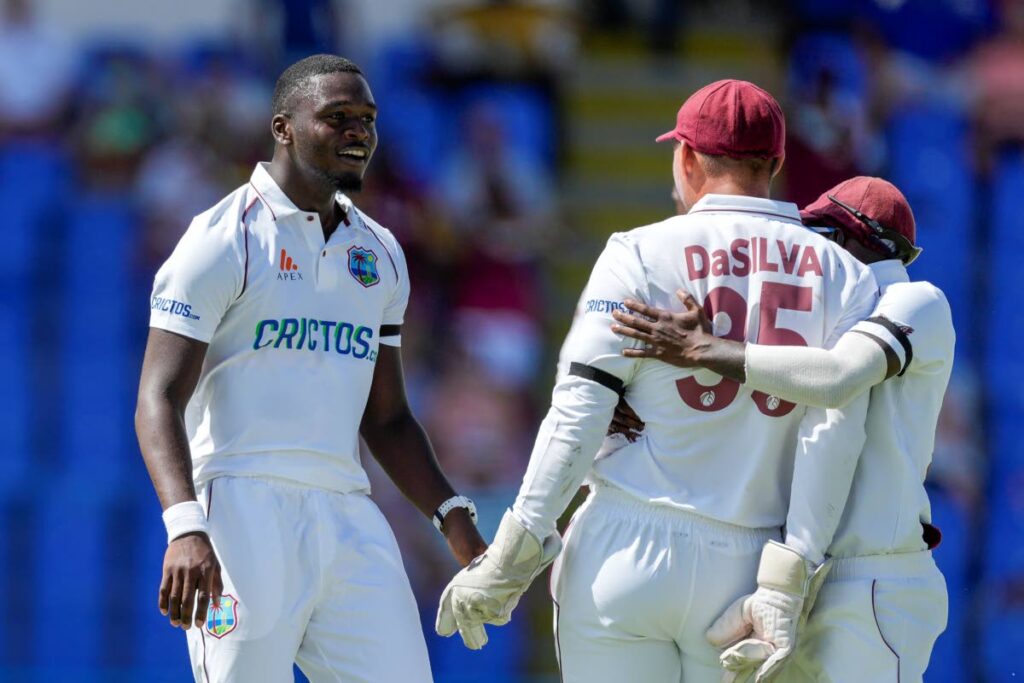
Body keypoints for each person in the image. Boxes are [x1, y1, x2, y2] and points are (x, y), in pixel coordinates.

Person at [435, 79, 880, 682]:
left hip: (625, 545)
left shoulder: (640, 251)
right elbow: (837, 434)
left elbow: (579, 410)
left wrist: (516, 547)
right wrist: (791, 572)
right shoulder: (844, 276)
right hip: (752, 563)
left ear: (689, 158)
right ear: (776, 162)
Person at [134, 54, 486, 682]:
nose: (359, 132)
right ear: (283, 127)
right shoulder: (222, 238)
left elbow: (390, 419)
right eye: (338, 117)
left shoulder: (379, 252)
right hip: (241, 511)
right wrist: (184, 527)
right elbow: (157, 398)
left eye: (368, 119)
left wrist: (454, 520)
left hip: (347, 512)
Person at [610, 176, 952, 682]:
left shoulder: (915, 301)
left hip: (872, 580)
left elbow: (836, 378)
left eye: (815, 232)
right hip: (782, 575)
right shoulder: (822, 316)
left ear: (844, 237)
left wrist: (701, 350)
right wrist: (627, 394)